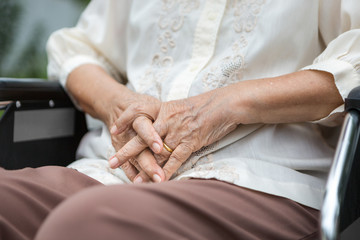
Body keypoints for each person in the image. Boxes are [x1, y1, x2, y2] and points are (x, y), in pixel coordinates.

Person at [1, 0, 360, 239]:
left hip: (259, 178)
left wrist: (228, 103)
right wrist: (120, 106)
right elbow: (77, 49)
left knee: (84, 226)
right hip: (111, 170)